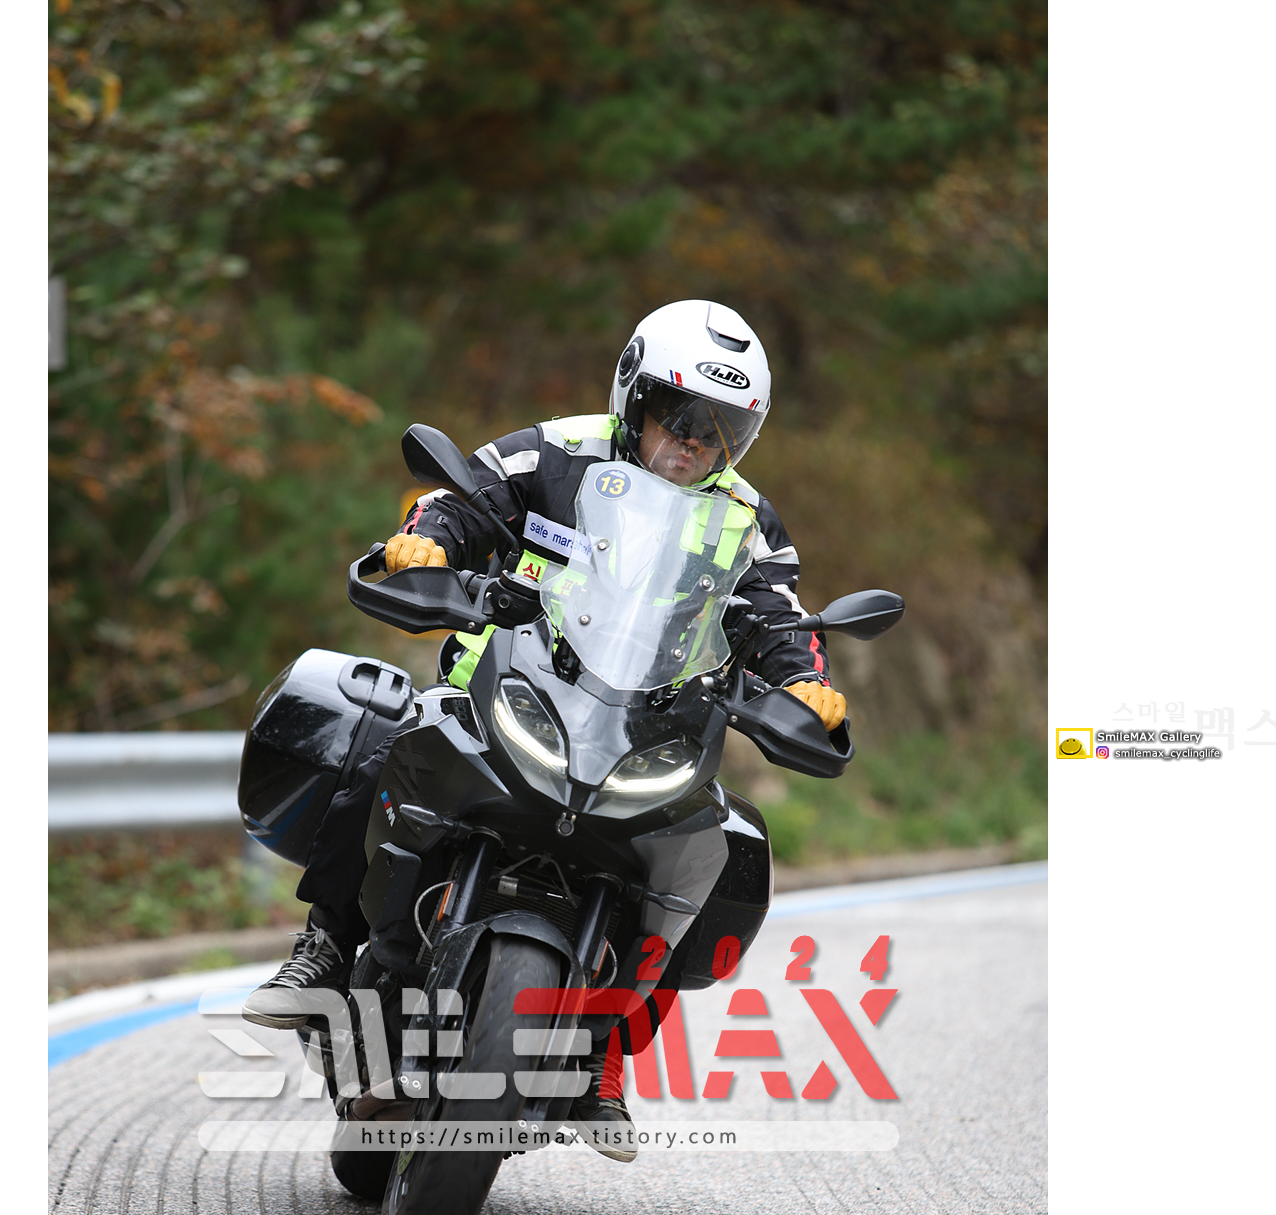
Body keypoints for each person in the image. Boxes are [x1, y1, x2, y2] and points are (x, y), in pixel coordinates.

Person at [244, 300, 846, 1161]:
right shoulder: (554, 451)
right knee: (390, 736)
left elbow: (777, 617)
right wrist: (427, 543)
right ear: (635, 396)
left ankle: (606, 1051)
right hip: (504, 687)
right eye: (680, 416)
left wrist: (804, 684)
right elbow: (463, 501)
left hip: (645, 728)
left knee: (709, 841)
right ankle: (327, 941)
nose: (693, 443)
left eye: (721, 431)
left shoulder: (746, 520)